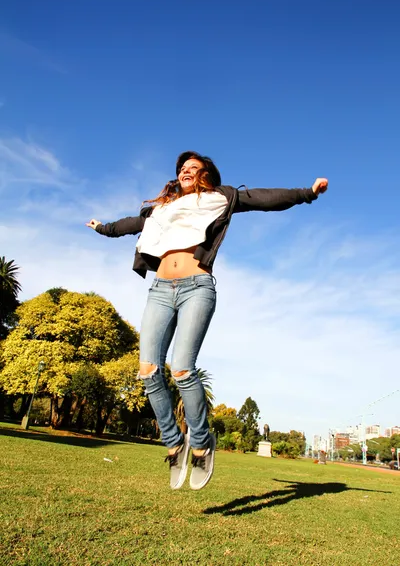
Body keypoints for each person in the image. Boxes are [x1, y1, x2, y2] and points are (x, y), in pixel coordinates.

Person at [86, 151, 328, 490]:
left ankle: (200, 443)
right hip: (159, 290)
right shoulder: (162, 208)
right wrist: (103, 228)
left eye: (192, 168)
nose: (185, 171)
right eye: (181, 168)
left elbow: (263, 199)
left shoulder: (220, 198)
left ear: (205, 175)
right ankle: (173, 444)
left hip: (197, 287)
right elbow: (129, 225)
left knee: (182, 369)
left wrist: (306, 194)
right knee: (148, 370)